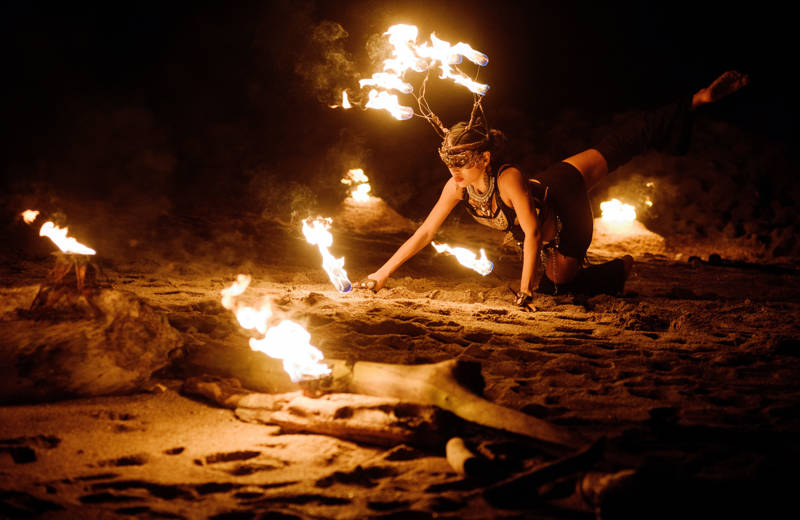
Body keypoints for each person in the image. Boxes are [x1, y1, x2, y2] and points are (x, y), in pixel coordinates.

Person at [361, 71, 749, 307]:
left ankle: (698, 100)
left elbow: (530, 233)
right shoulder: (457, 186)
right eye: (449, 163)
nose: (453, 170)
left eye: (460, 162)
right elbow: (425, 233)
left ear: (483, 158)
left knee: (558, 283)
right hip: (547, 192)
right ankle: (613, 272)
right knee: (553, 285)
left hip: (564, 206)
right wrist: (380, 275)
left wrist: (524, 291)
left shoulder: (508, 178)